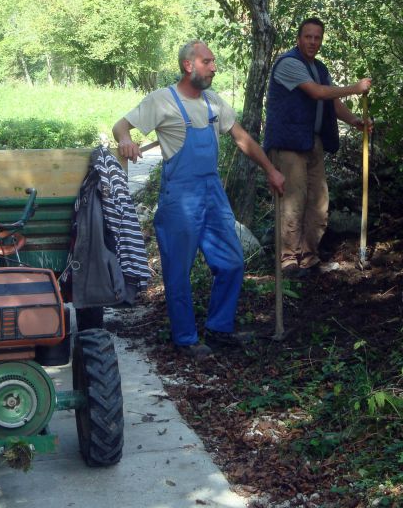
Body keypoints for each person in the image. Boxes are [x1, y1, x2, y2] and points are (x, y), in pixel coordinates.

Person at [113, 40, 285, 359]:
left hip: (212, 194)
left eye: (214, 62)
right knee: (179, 270)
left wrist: (271, 170)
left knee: (232, 262)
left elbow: (242, 139)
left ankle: (219, 329)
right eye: (208, 62)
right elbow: (121, 125)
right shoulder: (161, 100)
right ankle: (186, 338)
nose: (214, 67)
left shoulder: (213, 103)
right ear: (188, 65)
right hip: (179, 196)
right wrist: (125, 140)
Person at [263, 17, 372, 277]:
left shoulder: (319, 68)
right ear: (299, 38)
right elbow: (317, 93)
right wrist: (355, 88)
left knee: (318, 202)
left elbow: (331, 103)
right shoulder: (289, 63)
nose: (313, 42)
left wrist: (355, 121)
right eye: (308, 36)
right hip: (289, 143)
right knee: (293, 201)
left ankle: (309, 257)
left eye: (317, 38)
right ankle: (288, 260)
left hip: (312, 142)